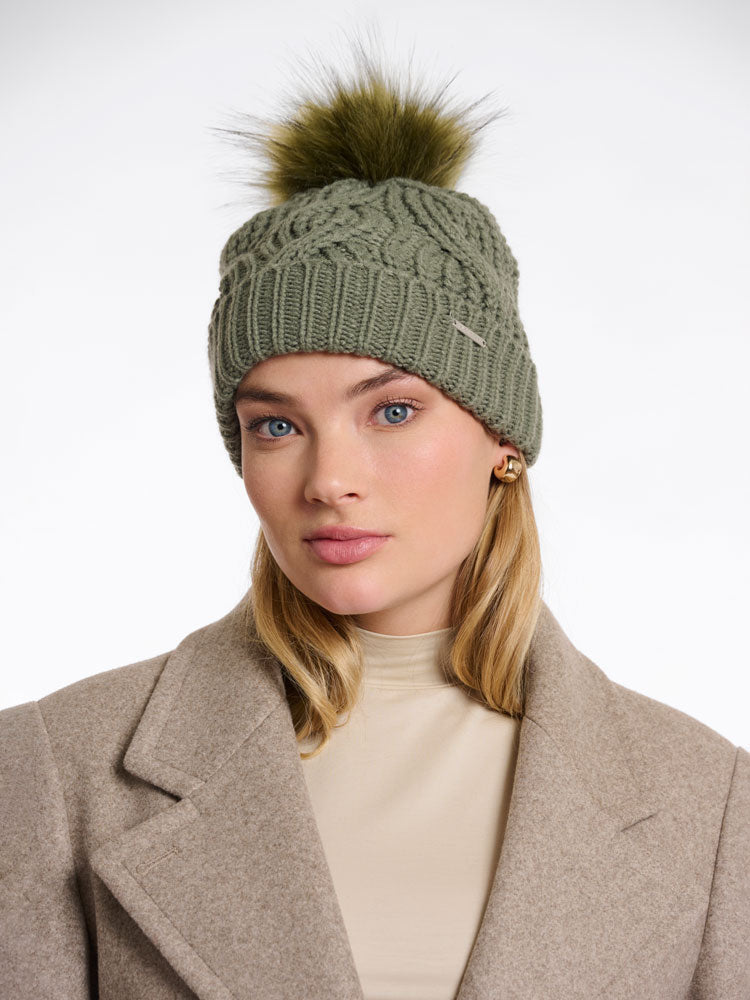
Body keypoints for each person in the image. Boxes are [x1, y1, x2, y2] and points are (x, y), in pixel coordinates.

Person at [1, 38, 748, 1000]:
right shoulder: (54, 772)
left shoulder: (708, 806)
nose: (328, 480)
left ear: (503, 437)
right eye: (276, 425)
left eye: (392, 411)